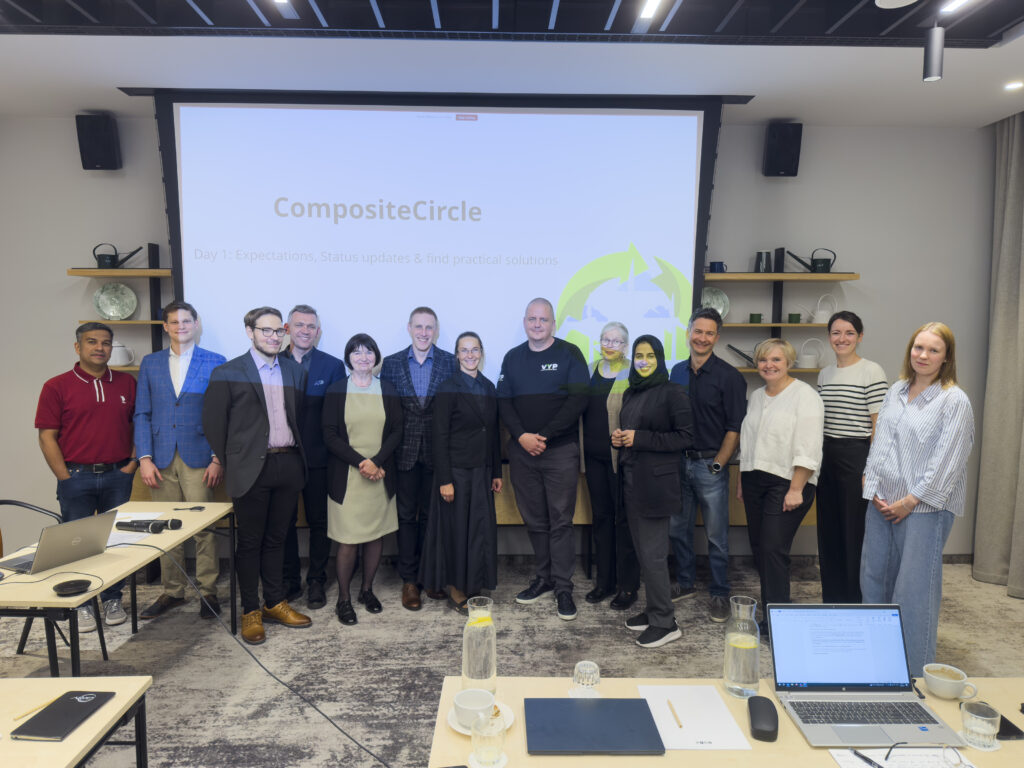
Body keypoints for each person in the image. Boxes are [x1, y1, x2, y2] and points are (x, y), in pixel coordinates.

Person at [861, 322, 973, 676]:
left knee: (913, 592)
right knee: (873, 581)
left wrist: (910, 502)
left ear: (947, 357)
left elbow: (949, 460)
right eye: (918, 348)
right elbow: (881, 441)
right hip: (881, 503)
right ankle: (877, 661)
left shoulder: (953, 400)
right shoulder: (895, 390)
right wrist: (872, 484)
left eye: (933, 350)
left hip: (924, 510)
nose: (923, 356)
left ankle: (911, 672)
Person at [202, 307, 311, 645]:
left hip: (288, 464)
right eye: (267, 331)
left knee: (278, 539)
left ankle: (274, 602)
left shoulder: (294, 370)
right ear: (250, 331)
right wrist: (231, 459)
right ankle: (250, 610)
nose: (274, 337)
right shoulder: (228, 371)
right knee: (249, 542)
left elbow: (299, 417)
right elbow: (214, 424)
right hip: (249, 469)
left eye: (279, 331)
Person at [35, 322, 138, 631]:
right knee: (77, 545)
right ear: (78, 347)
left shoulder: (127, 384)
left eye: (105, 343)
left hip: (118, 475)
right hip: (76, 476)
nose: (99, 348)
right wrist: (65, 477)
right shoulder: (57, 386)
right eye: (92, 342)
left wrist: (131, 464)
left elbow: (139, 425)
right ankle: (81, 604)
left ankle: (112, 599)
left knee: (116, 542)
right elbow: (47, 437)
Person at [497, 298, 589, 621]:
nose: (537, 324)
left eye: (544, 319)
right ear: (524, 322)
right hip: (522, 454)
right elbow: (504, 403)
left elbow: (578, 400)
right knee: (534, 520)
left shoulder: (570, 354)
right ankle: (544, 577)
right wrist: (522, 436)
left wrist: (545, 435)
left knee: (560, 520)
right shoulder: (512, 358)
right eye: (532, 319)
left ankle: (564, 586)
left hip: (560, 452)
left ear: (554, 324)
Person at [136, 301, 226, 621]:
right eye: (174, 322)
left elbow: (220, 415)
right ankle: (172, 591)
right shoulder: (150, 363)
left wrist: (218, 457)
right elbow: (142, 413)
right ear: (165, 327)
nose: (180, 326)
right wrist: (144, 458)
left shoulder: (216, 362)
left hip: (200, 455)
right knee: (165, 529)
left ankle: (208, 592)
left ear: (196, 324)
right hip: (159, 458)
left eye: (186, 321)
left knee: (204, 528)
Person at [739, 339, 823, 632]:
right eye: (763, 360)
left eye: (776, 359)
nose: (769, 365)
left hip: (788, 482)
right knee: (761, 549)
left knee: (773, 549)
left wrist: (797, 488)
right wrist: (742, 478)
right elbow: (748, 441)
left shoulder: (805, 396)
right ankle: (772, 613)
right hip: (754, 479)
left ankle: (778, 623)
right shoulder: (757, 395)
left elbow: (809, 445)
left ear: (789, 362)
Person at [668, 307, 746, 623]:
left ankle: (719, 592)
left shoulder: (730, 377)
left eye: (709, 333)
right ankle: (685, 583)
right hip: (678, 464)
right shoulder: (676, 372)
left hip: (710, 466)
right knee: (678, 529)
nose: (702, 338)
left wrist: (718, 465)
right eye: (697, 331)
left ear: (717, 336)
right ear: (688, 333)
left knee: (716, 535)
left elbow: (734, 428)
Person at [615, 335, 693, 648]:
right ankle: (653, 610)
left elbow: (686, 437)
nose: (644, 361)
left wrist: (640, 438)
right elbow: (636, 435)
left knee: (654, 556)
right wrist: (621, 439)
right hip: (633, 482)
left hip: (657, 486)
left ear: (660, 359)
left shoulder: (673, 392)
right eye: (638, 355)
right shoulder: (632, 392)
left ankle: (666, 622)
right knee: (644, 553)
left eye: (650, 355)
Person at [379, 307, 458, 611]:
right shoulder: (393, 363)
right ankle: (410, 580)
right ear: (409, 328)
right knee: (406, 517)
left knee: (432, 518)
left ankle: (430, 576)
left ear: (435, 331)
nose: (424, 333)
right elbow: (387, 411)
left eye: (429, 328)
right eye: (419, 327)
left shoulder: (451, 363)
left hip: (439, 454)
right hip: (404, 453)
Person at [419, 332, 503, 614]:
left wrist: (497, 471)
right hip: (454, 474)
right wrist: (444, 479)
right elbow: (439, 437)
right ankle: (455, 589)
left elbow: (492, 433)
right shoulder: (447, 387)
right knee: (455, 533)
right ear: (456, 355)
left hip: (481, 472)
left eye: (475, 349)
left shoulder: (489, 387)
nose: (470, 355)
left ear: (482, 353)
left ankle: (474, 584)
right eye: (464, 350)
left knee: (478, 530)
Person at [323, 334, 403, 626]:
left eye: (369, 352)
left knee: (375, 537)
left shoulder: (389, 390)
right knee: (348, 541)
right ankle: (344, 599)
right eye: (356, 352)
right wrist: (362, 463)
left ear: (376, 357)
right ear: (348, 358)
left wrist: (377, 463)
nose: (363, 357)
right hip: (348, 478)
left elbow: (397, 431)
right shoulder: (335, 391)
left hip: (380, 475)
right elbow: (329, 435)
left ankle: (366, 591)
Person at [815, 311, 887, 604]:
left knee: (854, 533)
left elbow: (878, 425)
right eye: (835, 333)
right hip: (827, 455)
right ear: (829, 336)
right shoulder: (825, 374)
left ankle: (856, 601)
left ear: (860, 336)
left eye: (848, 333)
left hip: (857, 455)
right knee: (829, 530)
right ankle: (832, 598)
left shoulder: (872, 371)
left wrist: (871, 468)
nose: (841, 339)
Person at [281, 304, 346, 610]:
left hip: (321, 459)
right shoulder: (272, 362)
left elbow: (336, 418)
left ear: (318, 332)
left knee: (321, 522)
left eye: (311, 326)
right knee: (285, 521)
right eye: (299, 325)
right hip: (283, 458)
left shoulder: (332, 366)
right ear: (287, 329)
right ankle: (290, 580)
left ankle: (317, 580)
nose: (305, 331)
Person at [581, 321, 640, 611]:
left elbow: (642, 412)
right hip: (593, 460)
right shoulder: (590, 368)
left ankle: (628, 586)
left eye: (617, 341)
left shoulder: (635, 372)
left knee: (624, 522)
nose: (610, 345)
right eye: (606, 339)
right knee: (601, 520)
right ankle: (604, 582)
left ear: (626, 346)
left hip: (623, 460)